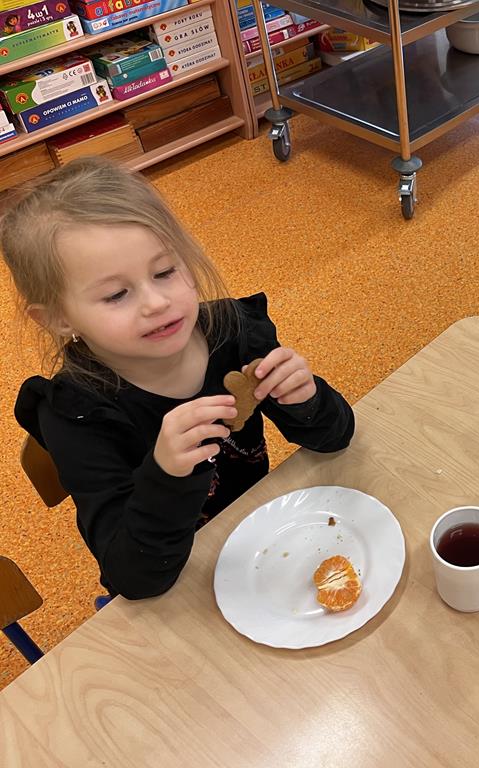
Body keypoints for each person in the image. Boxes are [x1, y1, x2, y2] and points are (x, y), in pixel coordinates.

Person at [1, 158, 355, 598]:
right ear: (58, 318)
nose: (156, 303)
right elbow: (132, 578)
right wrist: (166, 474)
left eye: (165, 271)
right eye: (116, 294)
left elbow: (335, 440)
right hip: (175, 583)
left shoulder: (235, 332)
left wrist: (308, 400)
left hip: (263, 542)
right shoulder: (77, 416)